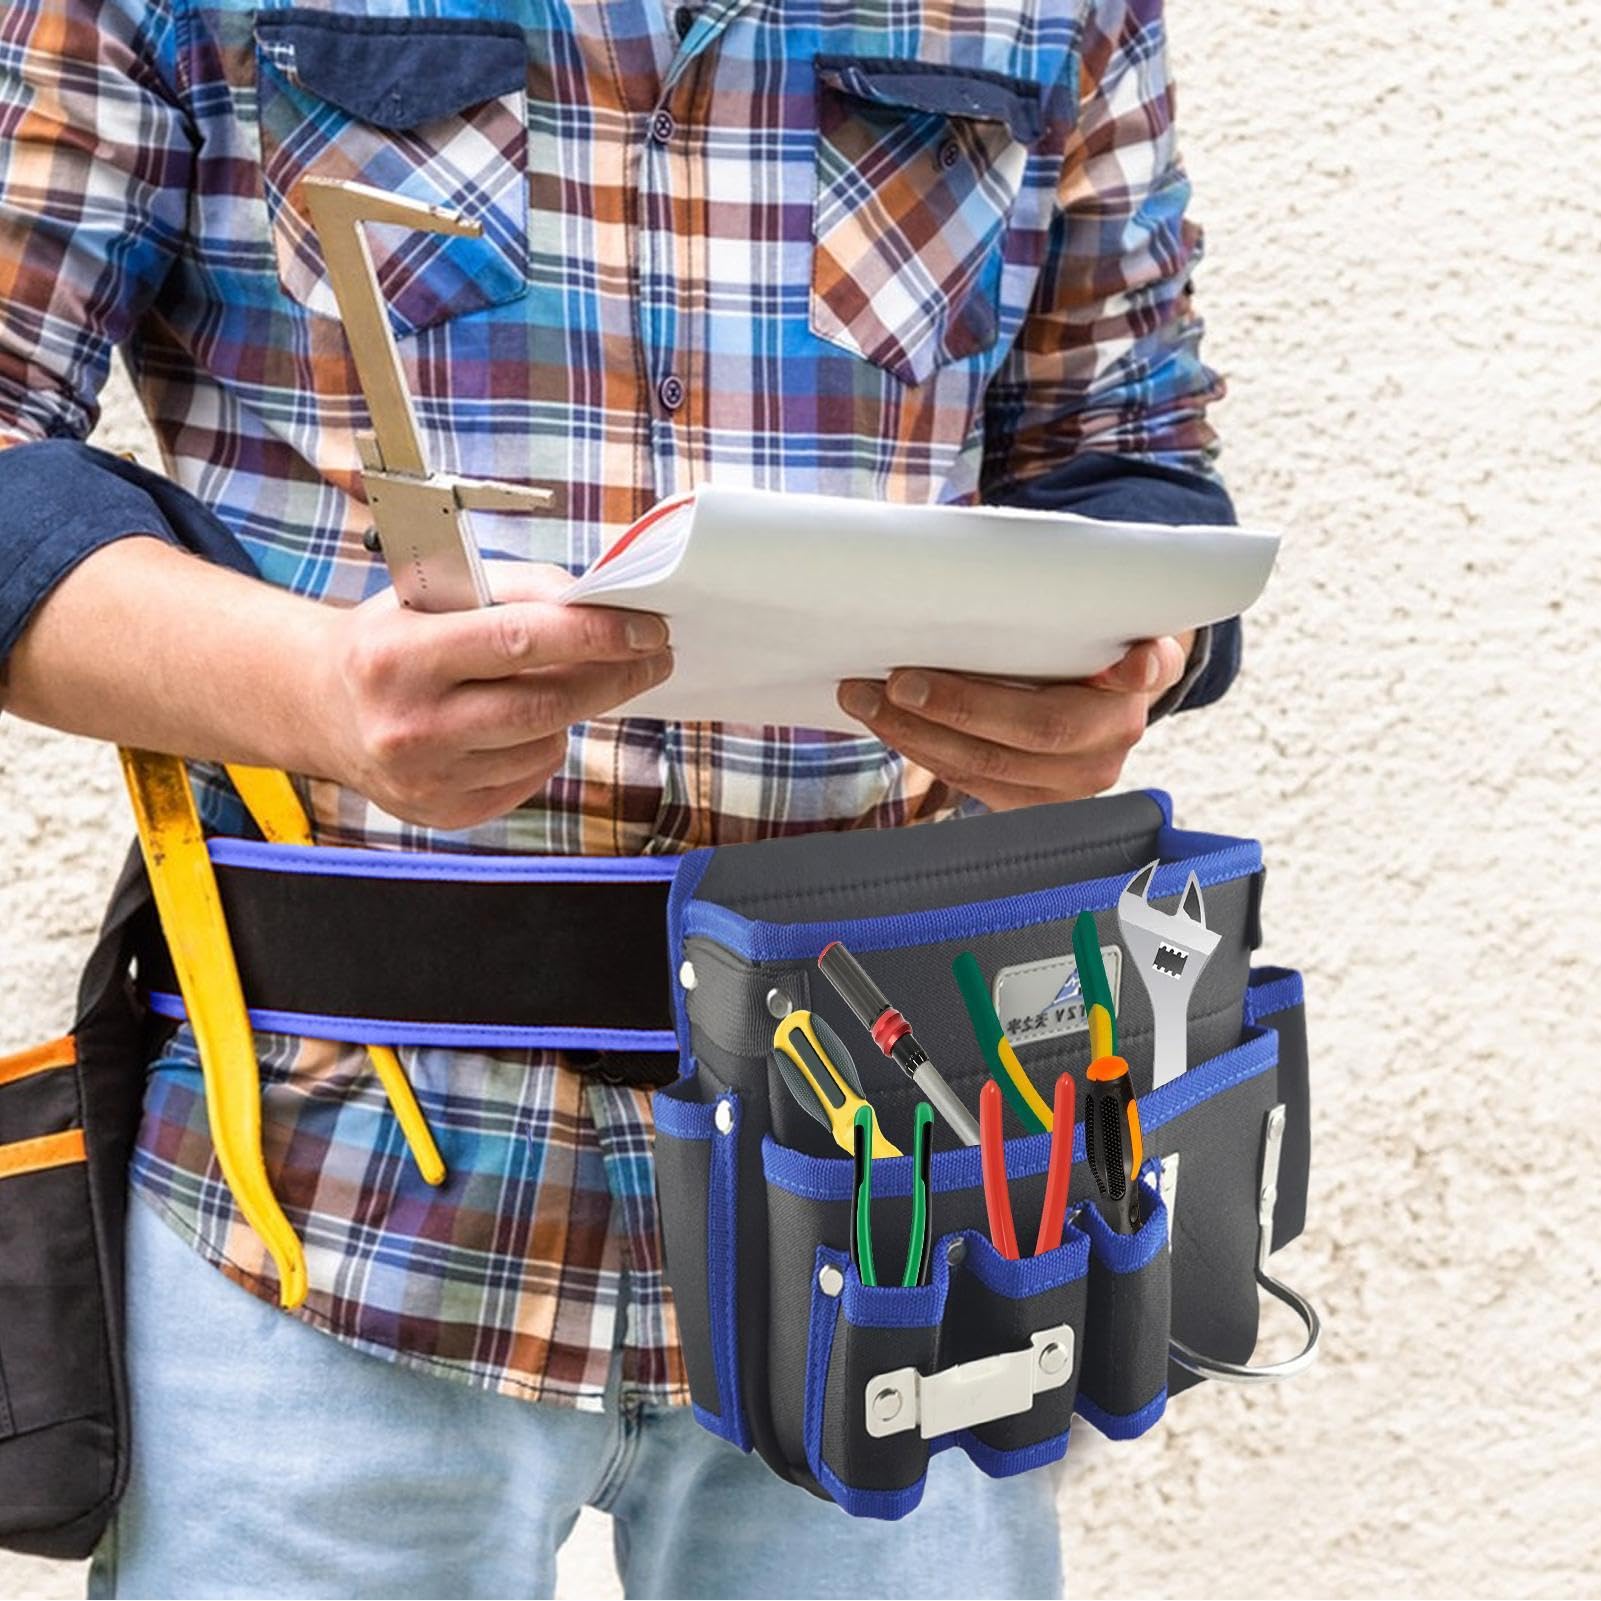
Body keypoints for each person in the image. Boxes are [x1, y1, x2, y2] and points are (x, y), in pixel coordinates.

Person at [0, 0, 1238, 1594]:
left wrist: (1127, 665)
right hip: (323, 1181)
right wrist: (314, 689)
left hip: (902, 1186)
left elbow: (1124, 458)